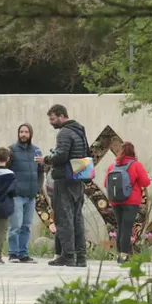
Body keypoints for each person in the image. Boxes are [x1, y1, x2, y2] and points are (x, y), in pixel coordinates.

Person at [39, 104, 89, 267]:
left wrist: (46, 159)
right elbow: (86, 153)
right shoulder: (80, 131)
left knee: (63, 218)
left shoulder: (64, 133)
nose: (51, 122)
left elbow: (61, 156)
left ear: (62, 116)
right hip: (78, 178)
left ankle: (67, 256)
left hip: (64, 179)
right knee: (77, 218)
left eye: (53, 119)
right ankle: (81, 256)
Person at [103, 141, 151, 263]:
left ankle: (120, 254)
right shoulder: (136, 165)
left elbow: (105, 184)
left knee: (120, 226)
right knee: (127, 227)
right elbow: (145, 182)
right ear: (133, 152)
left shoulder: (112, 166)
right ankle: (125, 255)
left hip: (115, 201)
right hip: (131, 200)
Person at [8, 123, 44, 263]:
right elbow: (6, 170)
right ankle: (13, 253)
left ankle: (23, 254)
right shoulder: (11, 150)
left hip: (30, 195)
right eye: (21, 132)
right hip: (17, 194)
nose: (23, 134)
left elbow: (41, 170)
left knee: (26, 226)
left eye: (26, 132)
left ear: (30, 134)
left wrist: (38, 187)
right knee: (15, 226)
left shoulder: (36, 151)